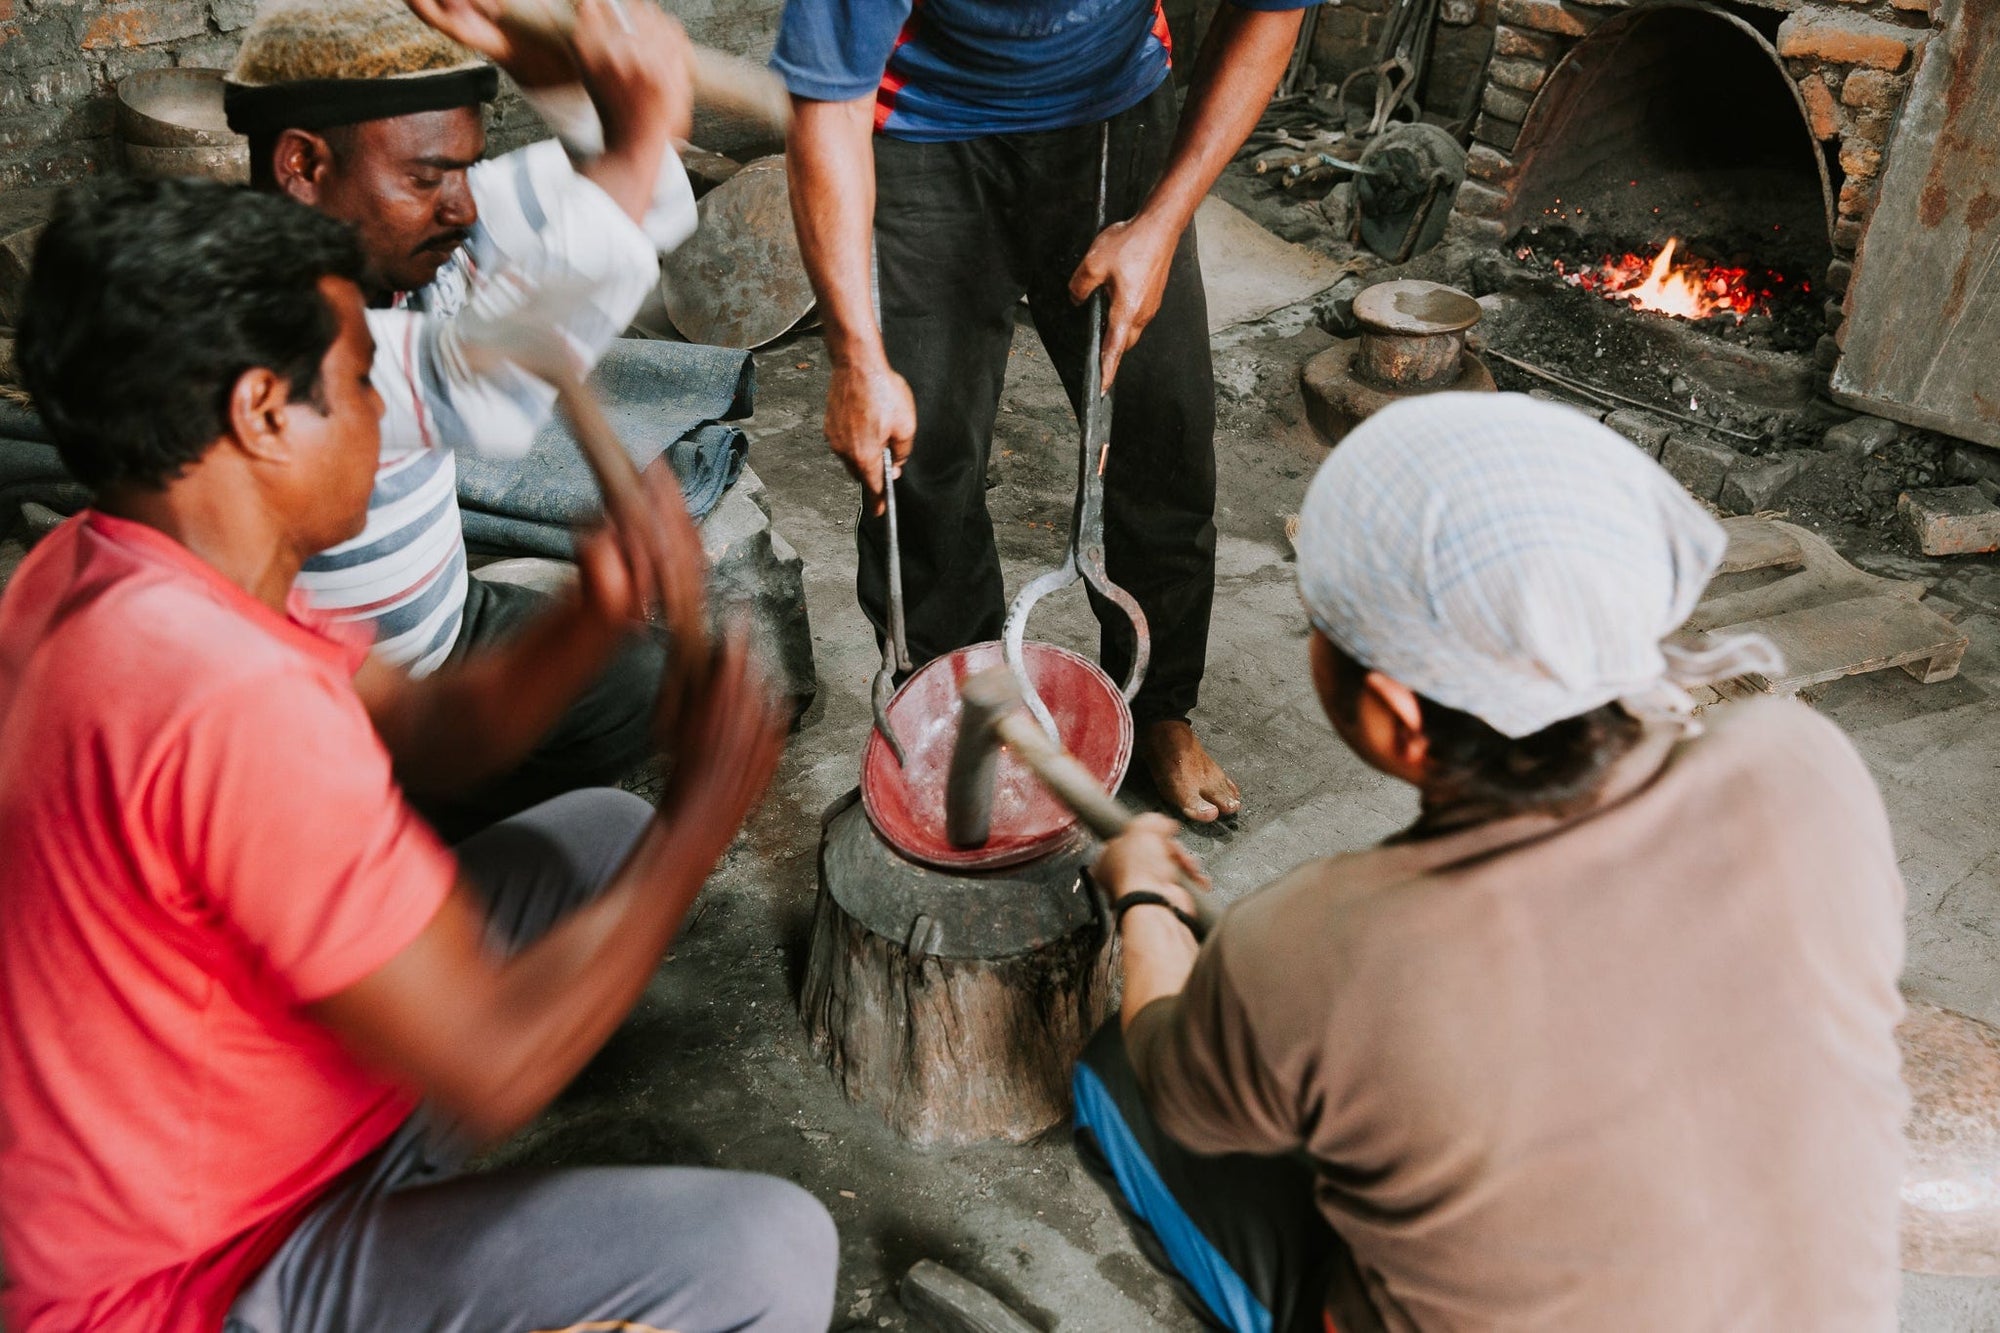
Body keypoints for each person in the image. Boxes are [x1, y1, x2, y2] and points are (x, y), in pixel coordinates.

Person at [0, 178, 836, 1333]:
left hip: (219, 1116)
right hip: (200, 1272)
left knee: (597, 834)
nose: (380, 420)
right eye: (352, 387)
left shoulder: (110, 564)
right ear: (258, 412)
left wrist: (588, 616)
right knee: (768, 1252)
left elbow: (435, 734)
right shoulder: (228, 705)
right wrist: (702, 817)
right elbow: (496, 1063)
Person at [1072, 394, 1909, 1332]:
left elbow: (1173, 1079)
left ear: (1395, 712)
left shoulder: (1324, 942)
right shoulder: (1800, 761)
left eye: (1323, 620)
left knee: (1118, 1072)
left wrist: (1143, 891)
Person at [774, 0, 1320, 823]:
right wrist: (856, 356)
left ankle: (1158, 708)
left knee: (1160, 422)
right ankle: (965, 715)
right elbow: (828, 104)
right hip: (922, 124)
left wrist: (1162, 222)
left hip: (1113, 108)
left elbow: (1271, 13)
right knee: (920, 456)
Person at [225, 0, 700, 836]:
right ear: (303, 163)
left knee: (655, 681)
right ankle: (395, 824)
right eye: (425, 177)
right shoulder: (271, 325)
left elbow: (650, 201)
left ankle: (429, 804)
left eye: (466, 172)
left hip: (445, 629)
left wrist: (549, 69)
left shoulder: (417, 224)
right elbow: (488, 390)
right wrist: (633, 134)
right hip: (333, 704)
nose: (463, 208)